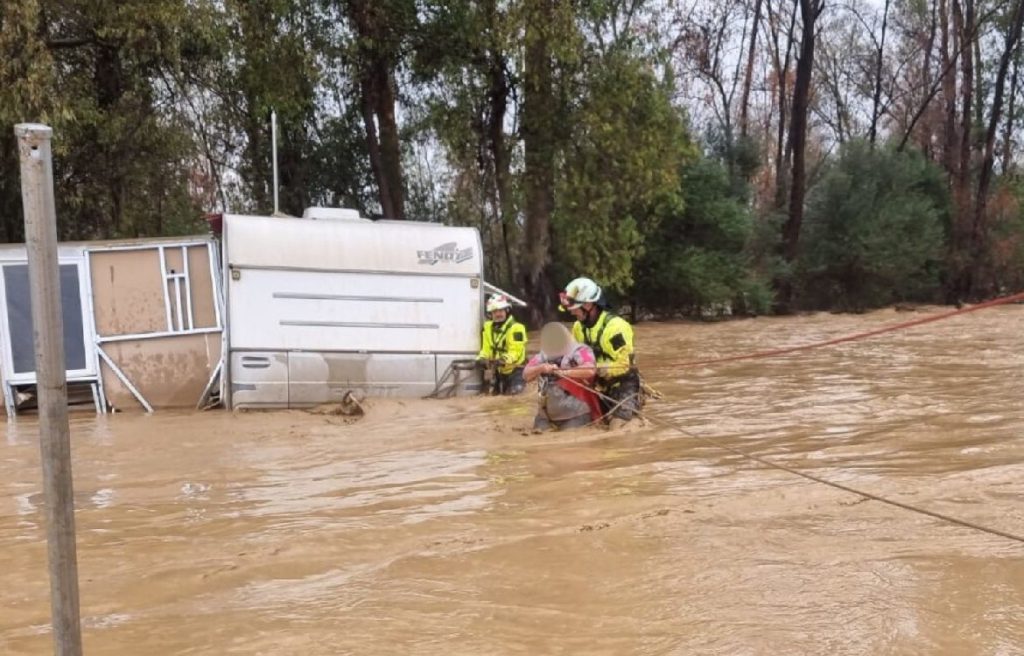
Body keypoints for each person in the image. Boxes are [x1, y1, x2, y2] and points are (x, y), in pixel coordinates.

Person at [560, 277, 641, 427]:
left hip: (623, 384)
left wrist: (598, 370)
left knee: (618, 427)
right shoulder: (578, 327)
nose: (572, 313)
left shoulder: (616, 327)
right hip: (596, 385)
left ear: (588, 304)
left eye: (574, 309)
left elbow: (624, 365)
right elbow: (575, 354)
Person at [523, 322, 602, 431]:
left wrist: (564, 372)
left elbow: (590, 369)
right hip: (545, 416)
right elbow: (526, 374)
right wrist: (541, 368)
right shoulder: (544, 354)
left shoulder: (581, 350)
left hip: (575, 413)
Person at [477, 294, 528, 395]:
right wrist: (481, 359)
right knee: (493, 397)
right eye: (495, 311)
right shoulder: (487, 328)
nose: (498, 314)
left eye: (501, 311)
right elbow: (486, 348)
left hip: (516, 371)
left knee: (515, 397)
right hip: (498, 371)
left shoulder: (517, 328)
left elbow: (515, 352)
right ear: (490, 314)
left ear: (507, 311)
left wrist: (503, 360)